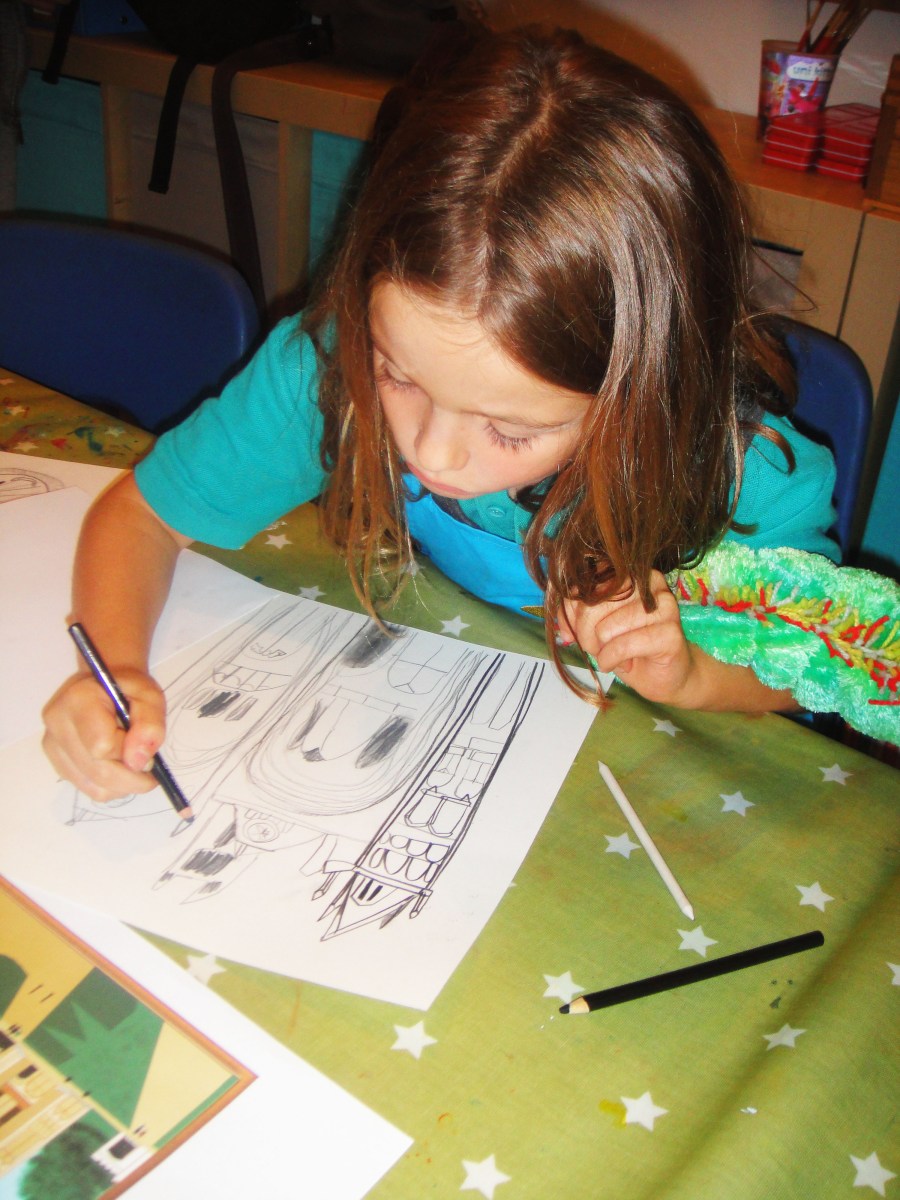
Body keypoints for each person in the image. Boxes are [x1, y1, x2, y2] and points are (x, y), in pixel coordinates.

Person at [42, 24, 840, 803]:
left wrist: (693, 673)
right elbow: (145, 517)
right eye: (398, 376)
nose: (433, 454)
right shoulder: (331, 361)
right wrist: (113, 670)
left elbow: (817, 670)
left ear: (644, 390)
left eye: (510, 431)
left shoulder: (745, 481)